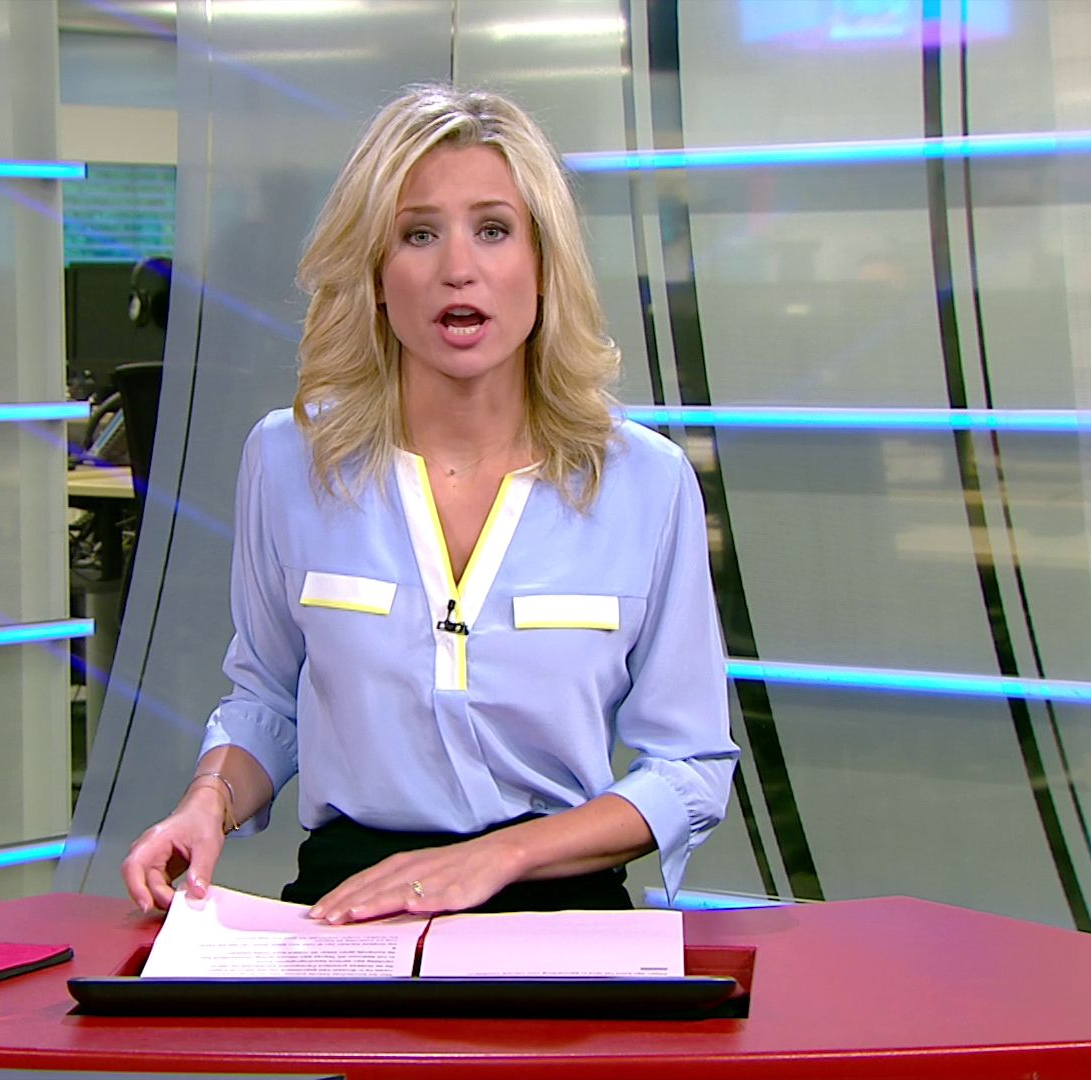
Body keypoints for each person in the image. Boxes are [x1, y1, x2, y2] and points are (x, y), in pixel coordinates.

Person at [122, 84, 738, 924]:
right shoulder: (288, 460)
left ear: (544, 264)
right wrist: (208, 802)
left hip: (560, 908)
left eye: (494, 230)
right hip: (349, 903)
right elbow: (267, 699)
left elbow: (689, 768)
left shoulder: (644, 481)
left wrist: (497, 859)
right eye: (418, 234)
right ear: (376, 275)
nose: (458, 267)